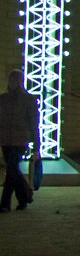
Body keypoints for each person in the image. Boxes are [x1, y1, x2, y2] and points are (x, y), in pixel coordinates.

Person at [0, 69, 39, 213]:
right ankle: (23, 198)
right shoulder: (3, 99)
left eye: (16, 79)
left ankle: (5, 203)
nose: (13, 82)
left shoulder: (28, 99)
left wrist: (36, 144)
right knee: (11, 171)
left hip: (21, 139)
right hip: (5, 139)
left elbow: (34, 122)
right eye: (11, 79)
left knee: (11, 168)